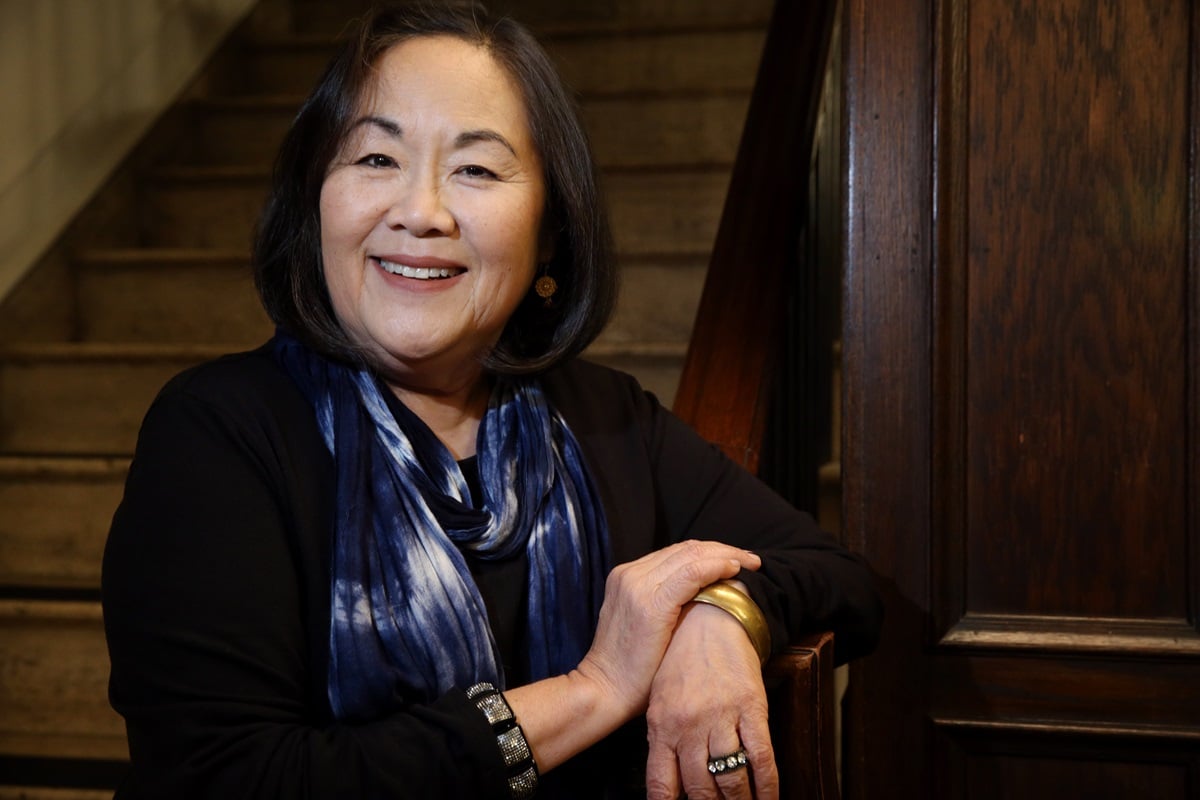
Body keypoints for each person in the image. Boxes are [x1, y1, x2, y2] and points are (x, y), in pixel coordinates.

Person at [101, 2, 882, 798]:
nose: (420, 211)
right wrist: (594, 689)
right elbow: (234, 780)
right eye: (376, 159)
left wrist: (725, 616)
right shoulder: (220, 433)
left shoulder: (604, 419)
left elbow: (839, 575)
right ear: (315, 201)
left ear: (549, 235)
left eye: (475, 169)